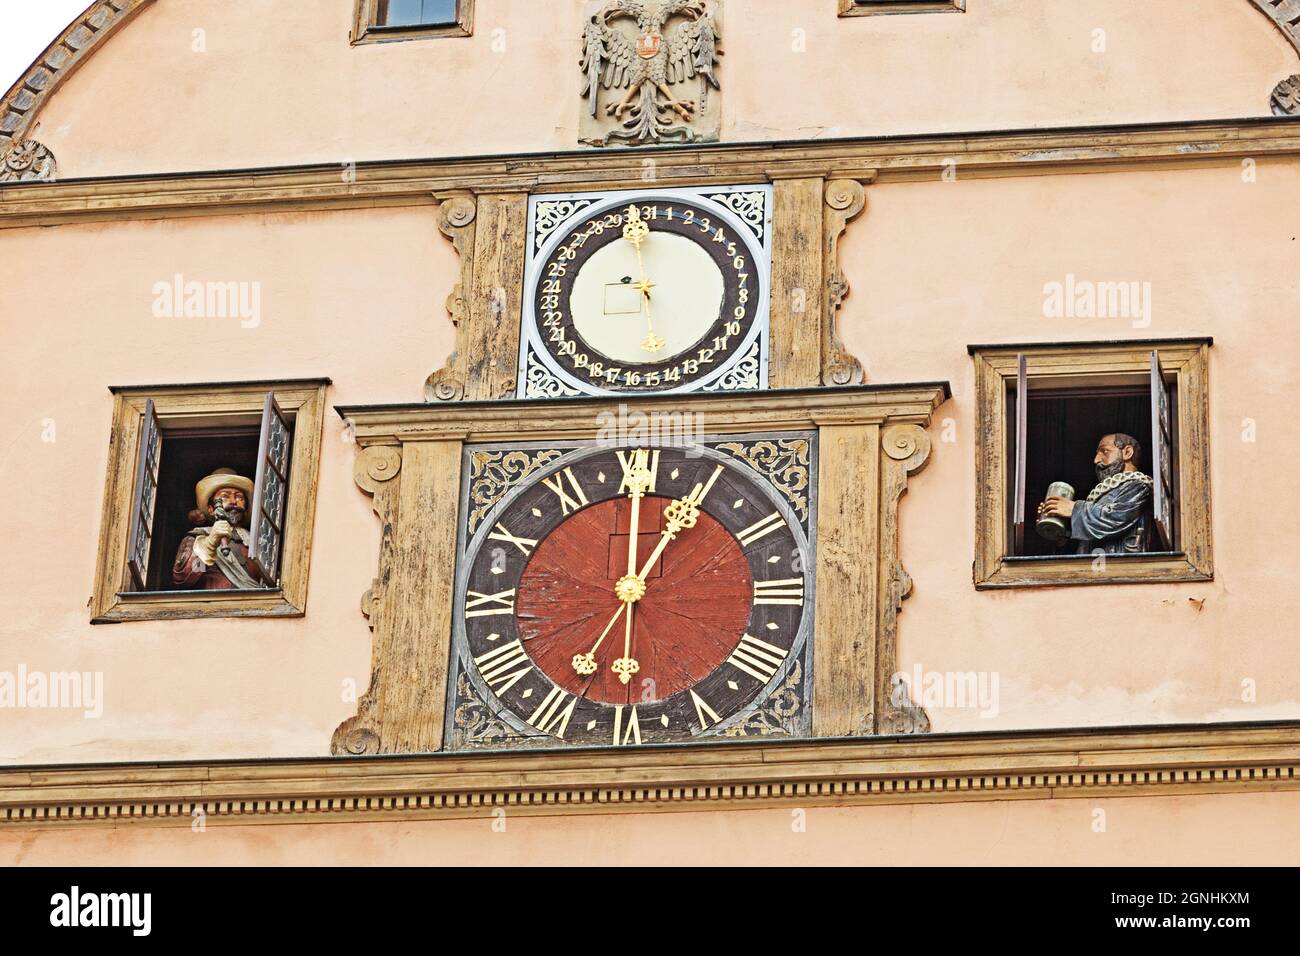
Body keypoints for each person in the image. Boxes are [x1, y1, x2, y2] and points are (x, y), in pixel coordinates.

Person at [1037, 433, 1153, 555]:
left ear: (1127, 452)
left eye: (1104, 451)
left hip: (1118, 565)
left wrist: (1073, 509)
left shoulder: (1138, 486)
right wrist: (1061, 531)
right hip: (1094, 566)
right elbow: (1088, 540)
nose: (1096, 460)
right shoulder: (1103, 493)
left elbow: (1116, 518)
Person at [172, 468, 265, 589]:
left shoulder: (257, 543)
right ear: (211, 509)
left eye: (239, 497)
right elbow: (184, 577)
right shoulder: (198, 538)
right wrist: (210, 543)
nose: (233, 501)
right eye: (225, 497)